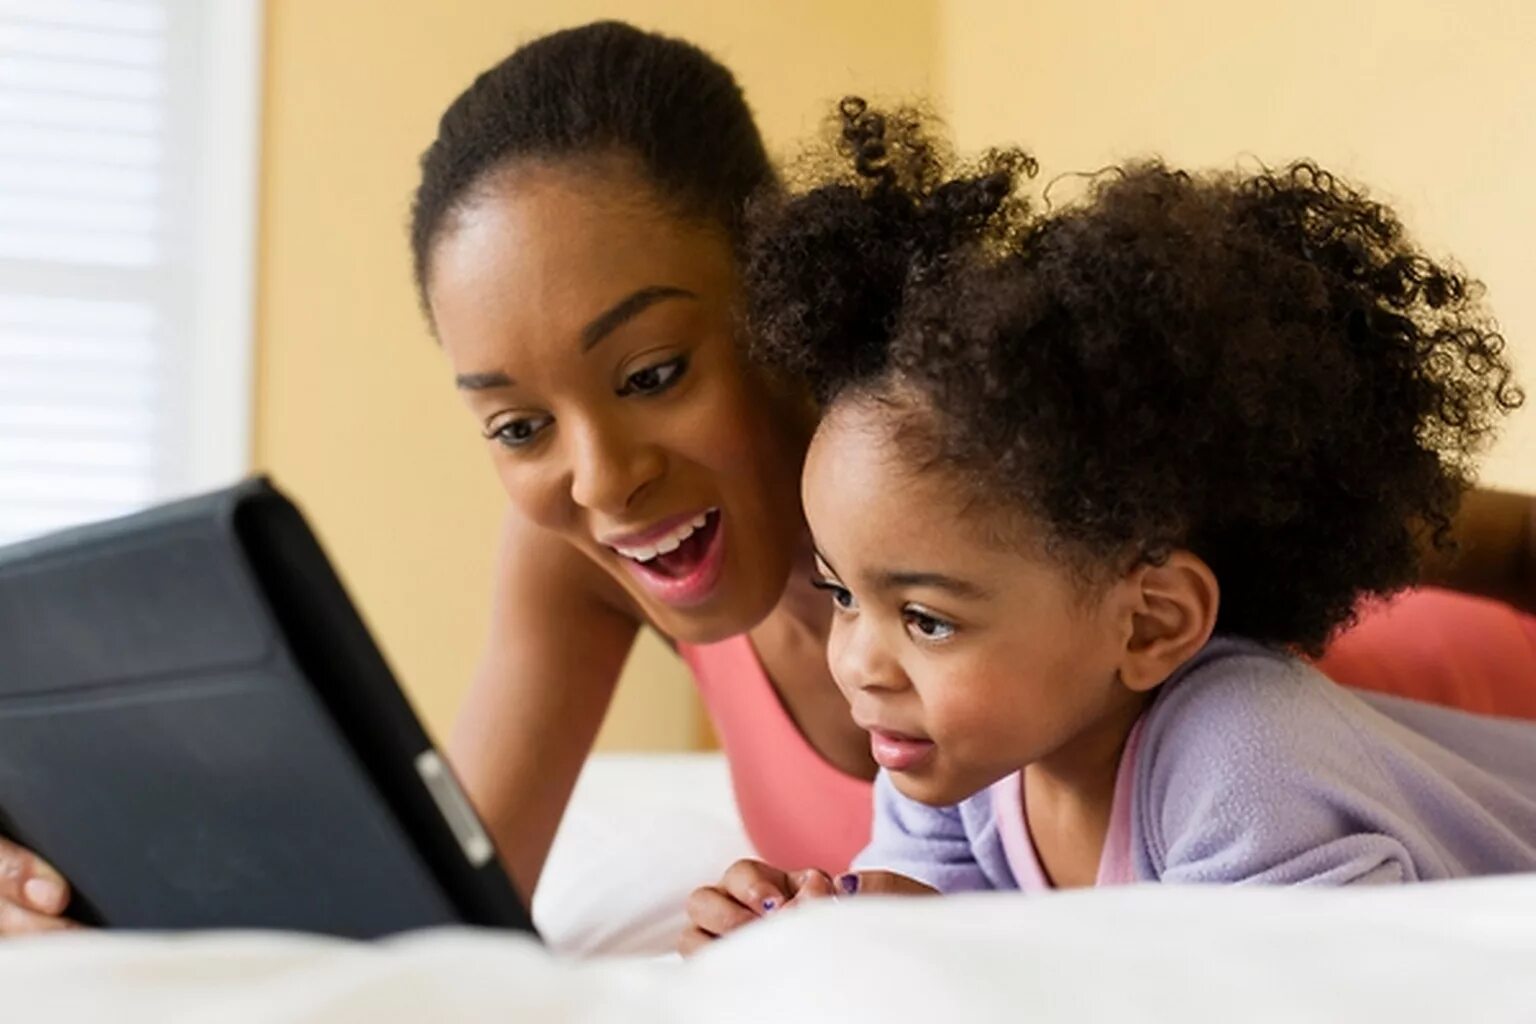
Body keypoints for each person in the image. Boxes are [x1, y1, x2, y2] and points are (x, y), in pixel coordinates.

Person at [3, 22, 1533, 937]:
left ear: (781, 302)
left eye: (655, 371)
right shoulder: (592, 556)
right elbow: (433, 904)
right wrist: (78, 863)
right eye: (514, 422)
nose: (601, 481)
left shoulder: (1070, 450)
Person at [680, 101, 1536, 951]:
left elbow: (1295, 994)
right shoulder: (955, 763)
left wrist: (978, 957)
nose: (857, 664)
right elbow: (935, 948)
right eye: (840, 593)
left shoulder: (1241, 756)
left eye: (927, 620)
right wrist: (803, 939)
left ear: (1152, 620)